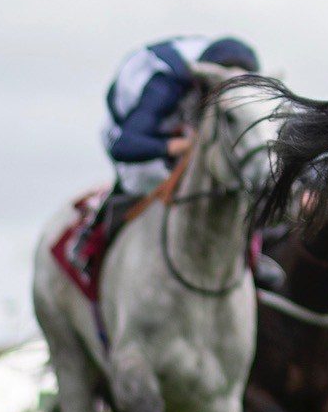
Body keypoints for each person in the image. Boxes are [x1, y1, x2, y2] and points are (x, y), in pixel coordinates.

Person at [73, 35, 260, 267]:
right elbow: (124, 145)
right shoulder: (164, 85)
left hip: (183, 121)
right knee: (145, 179)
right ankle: (94, 242)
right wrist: (178, 146)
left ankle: (253, 255)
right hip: (131, 129)